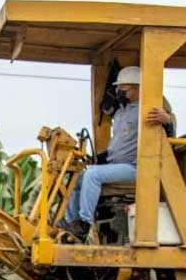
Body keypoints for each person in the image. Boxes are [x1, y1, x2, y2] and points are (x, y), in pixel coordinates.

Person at [60, 66, 175, 241]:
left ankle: (84, 223)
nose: (119, 92)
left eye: (123, 89)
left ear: (137, 89)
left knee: (92, 175)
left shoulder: (151, 111)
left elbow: (169, 137)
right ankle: (71, 222)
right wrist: (97, 159)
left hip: (136, 168)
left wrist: (167, 122)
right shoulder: (121, 113)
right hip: (118, 165)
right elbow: (118, 146)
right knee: (77, 177)